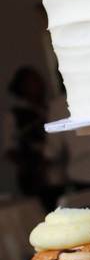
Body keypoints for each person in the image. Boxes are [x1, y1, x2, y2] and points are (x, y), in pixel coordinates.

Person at [1, 67, 58, 208]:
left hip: (59, 174)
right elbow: (9, 149)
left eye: (38, 80)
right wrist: (31, 165)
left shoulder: (52, 109)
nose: (38, 85)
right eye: (32, 82)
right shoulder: (13, 116)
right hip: (34, 179)